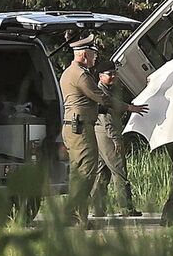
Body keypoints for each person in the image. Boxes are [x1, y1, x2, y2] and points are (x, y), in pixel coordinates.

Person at [60, 35, 147, 226]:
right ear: (83, 54)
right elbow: (102, 98)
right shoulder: (81, 75)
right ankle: (80, 218)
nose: (95, 58)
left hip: (75, 127)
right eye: (93, 54)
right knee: (86, 172)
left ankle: (71, 214)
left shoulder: (69, 72)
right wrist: (128, 107)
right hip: (81, 129)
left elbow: (89, 103)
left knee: (79, 172)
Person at [90, 60, 142, 217]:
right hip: (107, 135)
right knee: (119, 170)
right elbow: (108, 120)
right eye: (109, 74)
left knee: (102, 172)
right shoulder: (103, 93)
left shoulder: (109, 90)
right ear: (100, 76)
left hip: (100, 135)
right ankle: (126, 208)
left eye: (115, 73)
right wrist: (116, 140)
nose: (113, 76)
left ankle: (98, 208)